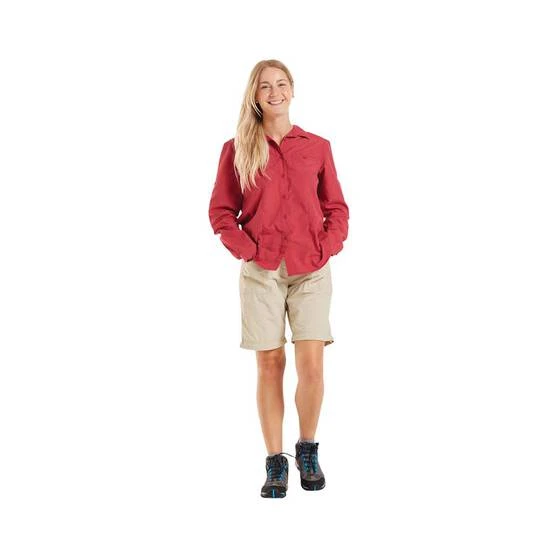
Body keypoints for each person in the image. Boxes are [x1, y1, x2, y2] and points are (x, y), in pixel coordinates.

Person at [208, 59, 349, 498]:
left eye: (281, 84)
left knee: (312, 364)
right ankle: (275, 462)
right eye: (265, 86)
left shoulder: (317, 146)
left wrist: (327, 245)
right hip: (262, 272)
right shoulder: (237, 149)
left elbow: (337, 208)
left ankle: (307, 449)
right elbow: (221, 212)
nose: (275, 92)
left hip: (311, 269)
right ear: (255, 95)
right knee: (270, 364)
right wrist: (248, 250)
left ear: (293, 90)